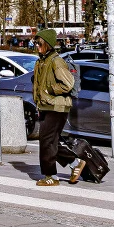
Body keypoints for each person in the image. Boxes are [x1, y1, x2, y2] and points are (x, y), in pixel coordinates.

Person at [30, 28, 77, 186]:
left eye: (39, 43)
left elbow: (68, 83)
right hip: (46, 106)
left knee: (46, 141)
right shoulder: (41, 61)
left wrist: (49, 90)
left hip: (57, 106)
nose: (37, 46)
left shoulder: (56, 61)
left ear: (47, 44)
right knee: (52, 141)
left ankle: (51, 176)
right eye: (36, 43)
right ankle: (75, 163)